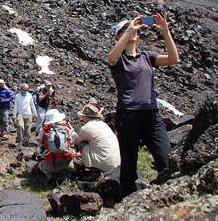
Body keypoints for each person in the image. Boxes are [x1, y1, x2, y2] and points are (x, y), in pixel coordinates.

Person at [108, 13, 179, 197]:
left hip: (151, 115)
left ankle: (166, 199)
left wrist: (165, 31)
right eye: (124, 30)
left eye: (132, 29)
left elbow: (173, 59)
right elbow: (111, 58)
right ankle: (126, 206)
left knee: (165, 159)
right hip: (127, 115)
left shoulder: (147, 56)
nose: (132, 31)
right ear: (118, 36)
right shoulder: (119, 59)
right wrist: (128, 31)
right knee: (129, 166)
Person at [70, 103, 121, 181]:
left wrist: (71, 133)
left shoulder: (86, 128)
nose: (81, 118)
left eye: (82, 116)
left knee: (82, 144)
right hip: (116, 164)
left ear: (87, 117)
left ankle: (93, 170)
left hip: (105, 165)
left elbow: (77, 141)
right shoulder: (104, 124)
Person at [37, 108, 77, 179]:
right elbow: (75, 137)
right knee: (72, 149)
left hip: (51, 165)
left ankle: (49, 174)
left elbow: (39, 141)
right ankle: (68, 174)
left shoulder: (44, 130)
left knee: (40, 164)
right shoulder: (64, 128)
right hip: (67, 164)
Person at [12, 83, 37, 147]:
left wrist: (35, 114)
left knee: (28, 129)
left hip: (28, 114)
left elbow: (32, 105)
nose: (25, 91)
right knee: (20, 126)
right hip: (20, 114)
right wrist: (14, 117)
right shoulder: (18, 96)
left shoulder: (29, 95)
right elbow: (15, 106)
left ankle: (26, 142)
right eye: (24, 90)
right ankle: (20, 140)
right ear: (21, 89)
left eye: (26, 90)